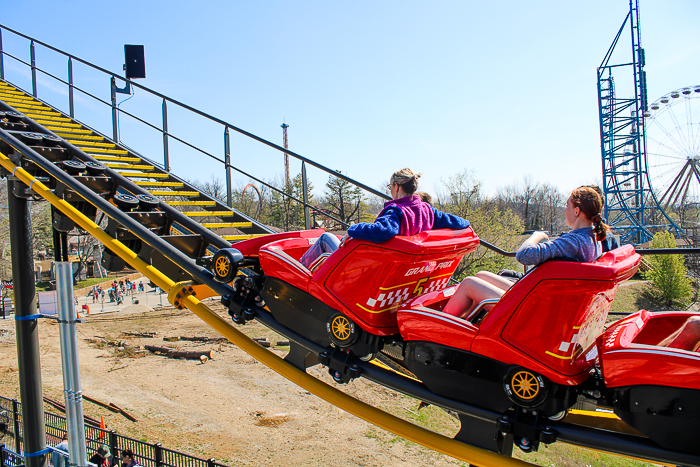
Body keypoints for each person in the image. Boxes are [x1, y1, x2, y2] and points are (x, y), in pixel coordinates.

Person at [443, 186, 609, 318]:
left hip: (535, 309)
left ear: (577, 211)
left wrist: (535, 237)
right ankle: (462, 323)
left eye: (567, 206)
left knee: (468, 284)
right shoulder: (592, 239)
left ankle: (441, 329)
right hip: (544, 299)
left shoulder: (573, 242)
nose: (564, 210)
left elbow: (524, 255)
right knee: (480, 276)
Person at [299, 168, 470, 268]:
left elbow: (384, 230)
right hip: (406, 266)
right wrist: (467, 225)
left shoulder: (396, 210)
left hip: (371, 265)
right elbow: (459, 222)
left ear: (396, 186)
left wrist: (353, 229)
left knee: (325, 238)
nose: (390, 190)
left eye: (390, 186)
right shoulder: (427, 210)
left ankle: (299, 270)